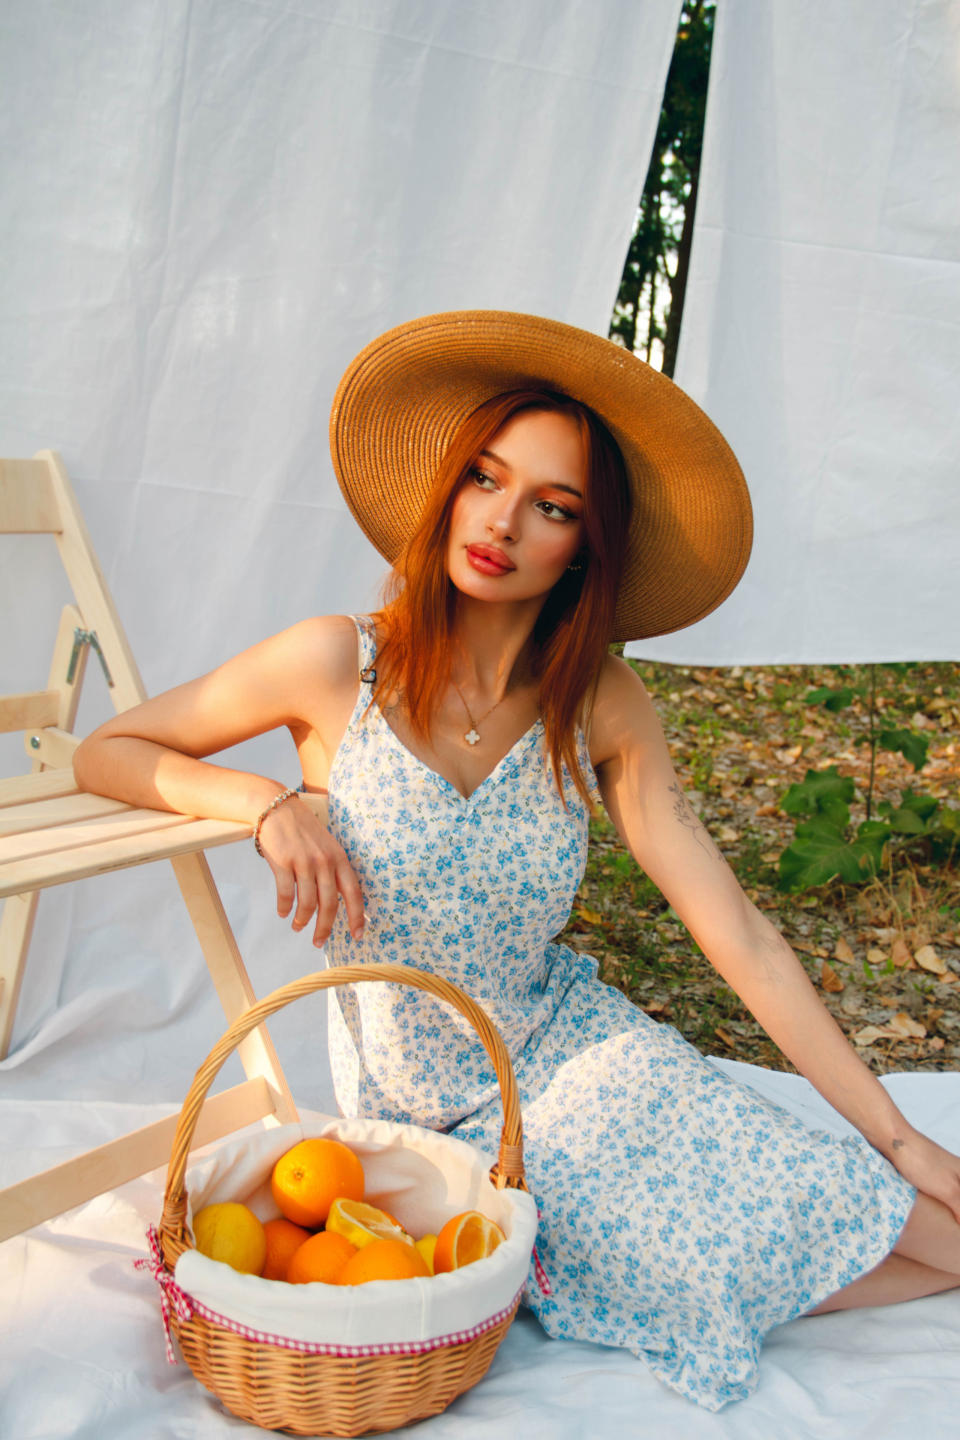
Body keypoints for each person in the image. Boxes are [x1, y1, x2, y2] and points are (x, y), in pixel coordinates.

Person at [74, 311, 960, 1410]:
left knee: (917, 1222)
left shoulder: (600, 703)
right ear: (450, 488)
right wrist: (264, 803)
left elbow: (735, 928)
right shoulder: (337, 662)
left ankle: (785, 1223)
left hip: (575, 1048)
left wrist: (899, 1139)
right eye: (486, 479)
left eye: (552, 505)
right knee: (711, 1254)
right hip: (416, 1106)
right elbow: (108, 750)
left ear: (584, 545)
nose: (501, 520)